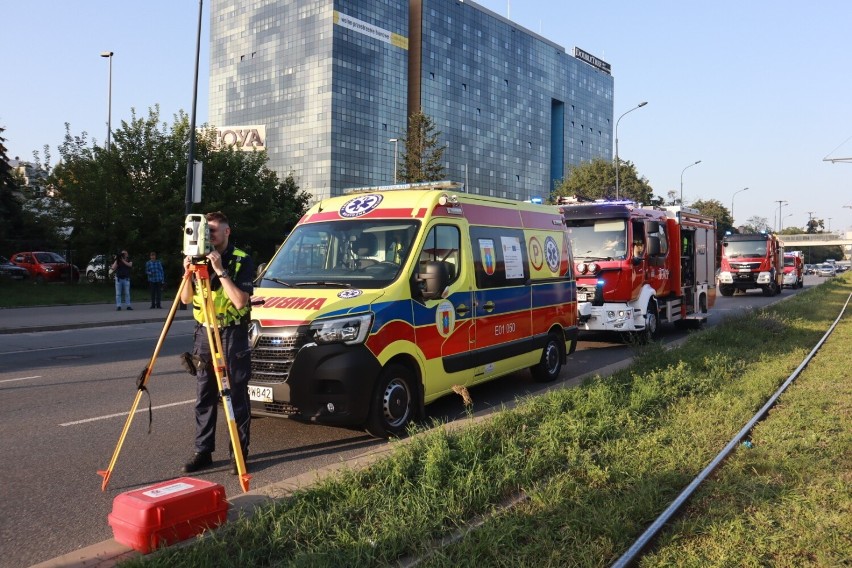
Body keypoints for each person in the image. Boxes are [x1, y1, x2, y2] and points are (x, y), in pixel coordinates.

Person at [179, 211, 254, 475]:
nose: (207, 236)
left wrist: (220, 269)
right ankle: (203, 451)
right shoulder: (197, 258)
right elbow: (186, 300)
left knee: (235, 395)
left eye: (211, 231)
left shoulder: (241, 259)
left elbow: (240, 301)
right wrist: (188, 274)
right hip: (204, 332)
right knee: (205, 394)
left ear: (226, 232)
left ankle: (238, 453)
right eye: (204, 232)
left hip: (232, 333)